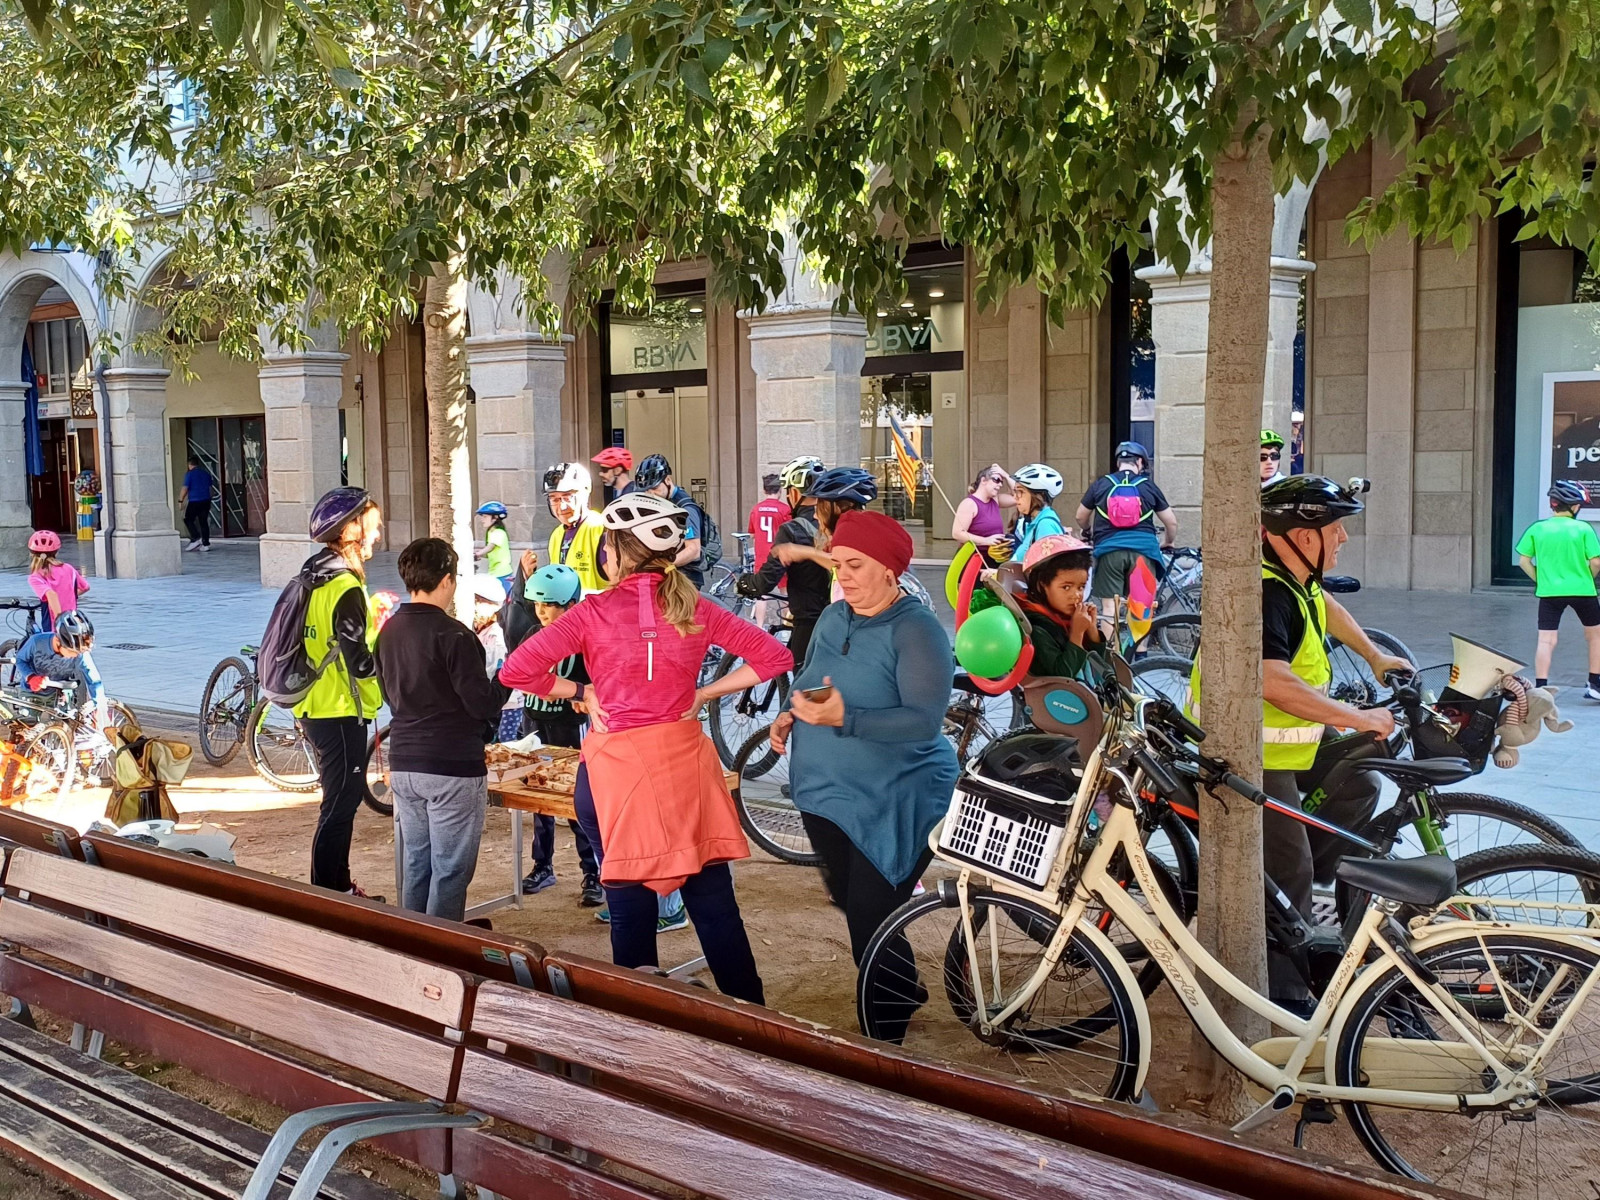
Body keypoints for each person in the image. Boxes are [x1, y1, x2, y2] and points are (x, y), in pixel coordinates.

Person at [500, 492, 791, 1004]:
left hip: (615, 771)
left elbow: (517, 671)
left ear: (612, 551)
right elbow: (773, 656)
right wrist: (702, 692)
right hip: (685, 764)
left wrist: (581, 692)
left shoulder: (590, 612)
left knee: (629, 911)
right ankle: (754, 1020)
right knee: (715, 905)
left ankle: (640, 1025)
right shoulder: (697, 605)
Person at [1189, 475, 1410, 1011]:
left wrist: (1376, 655)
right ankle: (1285, 993)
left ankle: (1301, 904)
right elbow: (1273, 681)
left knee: (1357, 784)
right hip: (1247, 754)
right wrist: (1357, 717)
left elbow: (1327, 607)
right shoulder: (1264, 593)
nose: (1344, 539)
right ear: (1302, 536)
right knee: (1291, 866)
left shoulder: (1295, 579)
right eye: (1336, 528)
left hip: (1291, 745)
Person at [771, 510, 957, 1041]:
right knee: (855, 903)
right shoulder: (834, 618)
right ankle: (904, 987)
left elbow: (922, 722)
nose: (844, 576)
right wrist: (791, 711)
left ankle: (886, 1042)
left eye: (855, 565)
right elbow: (810, 680)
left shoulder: (917, 629)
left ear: (890, 571)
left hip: (899, 797)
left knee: (870, 922)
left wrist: (845, 718)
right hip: (826, 795)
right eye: (838, 566)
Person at [375, 538, 510, 922]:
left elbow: (388, 691)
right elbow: (482, 703)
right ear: (447, 580)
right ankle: (440, 948)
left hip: (405, 761)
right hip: (451, 763)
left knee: (417, 862)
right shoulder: (454, 634)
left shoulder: (389, 631)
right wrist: (506, 678)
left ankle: (414, 943)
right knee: (450, 868)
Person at [295, 486, 385, 897]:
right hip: (338, 708)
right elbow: (360, 662)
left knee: (339, 801)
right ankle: (328, 895)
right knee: (340, 804)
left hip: (315, 704)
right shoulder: (345, 585)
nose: (378, 534)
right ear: (352, 529)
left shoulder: (316, 571)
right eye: (373, 525)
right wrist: (386, 636)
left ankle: (337, 888)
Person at [518, 564, 603, 905]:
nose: (542, 612)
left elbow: (597, 683)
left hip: (572, 728)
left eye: (550, 605)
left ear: (569, 604)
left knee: (578, 802)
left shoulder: (584, 641)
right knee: (541, 801)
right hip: (535, 726)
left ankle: (592, 873)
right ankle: (543, 865)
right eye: (538, 604)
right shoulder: (531, 634)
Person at [973, 534, 1105, 681]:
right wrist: (1077, 633)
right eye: (1066, 587)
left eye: (1081, 587)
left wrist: (1092, 631)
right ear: (1042, 584)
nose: (1076, 595)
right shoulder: (1037, 627)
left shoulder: (1064, 617)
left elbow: (1099, 667)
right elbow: (1063, 675)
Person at [739, 456, 830, 666]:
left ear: (795, 493)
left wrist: (745, 584)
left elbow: (766, 581)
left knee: (804, 688)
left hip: (809, 619)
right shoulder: (833, 522)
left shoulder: (792, 529)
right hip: (839, 616)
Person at [1517, 480, 1600, 695]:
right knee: (1595, 636)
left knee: (1546, 639)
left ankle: (1541, 687)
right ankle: (1595, 683)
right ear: (1574, 506)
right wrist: (1586, 577)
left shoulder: (1538, 528)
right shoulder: (1583, 528)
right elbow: (1596, 562)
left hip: (1550, 592)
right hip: (1583, 591)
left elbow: (1523, 560)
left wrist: (1540, 579)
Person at [1075, 441, 1177, 609]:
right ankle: (1138, 637)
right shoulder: (1148, 486)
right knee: (1140, 610)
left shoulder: (1101, 484)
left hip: (1109, 551)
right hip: (1143, 552)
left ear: (1118, 463)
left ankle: (1110, 636)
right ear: (1140, 462)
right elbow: (1171, 522)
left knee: (1110, 608)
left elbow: (1080, 516)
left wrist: (1087, 531)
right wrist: (1168, 541)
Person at [16, 610, 107, 727]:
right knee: (26, 728)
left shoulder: (80, 653)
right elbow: (20, 660)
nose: (75, 655)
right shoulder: (36, 642)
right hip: (32, 692)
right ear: (58, 641)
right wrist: (30, 677)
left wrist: (99, 706)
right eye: (72, 652)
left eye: (79, 652)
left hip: (60, 693)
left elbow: (93, 678)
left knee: (64, 728)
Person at [632, 453, 708, 588]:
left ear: (668, 480)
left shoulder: (686, 509)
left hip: (687, 579)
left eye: (655, 488)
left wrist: (663, 565)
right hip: (671, 576)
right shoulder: (664, 501)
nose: (651, 494)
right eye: (646, 490)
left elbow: (693, 550)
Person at [542, 463, 610, 594]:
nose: (561, 507)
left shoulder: (600, 528)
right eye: (554, 500)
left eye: (567, 497)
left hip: (595, 613)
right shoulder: (556, 534)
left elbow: (619, 583)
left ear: (584, 495)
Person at [951, 464, 1018, 566]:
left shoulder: (995, 500)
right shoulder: (969, 503)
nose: (1000, 485)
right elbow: (957, 533)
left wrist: (1006, 475)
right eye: (996, 480)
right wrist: (986, 540)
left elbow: (1018, 496)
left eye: (1001, 482)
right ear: (983, 480)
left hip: (993, 558)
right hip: (973, 559)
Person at [26, 530, 88, 632]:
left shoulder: (36, 577)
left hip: (54, 625)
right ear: (57, 552)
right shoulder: (69, 568)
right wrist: (68, 595)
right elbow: (85, 587)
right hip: (72, 620)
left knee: (39, 645)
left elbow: (51, 594)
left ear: (31, 554)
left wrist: (59, 619)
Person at [1008, 463, 1066, 562]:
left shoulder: (1045, 525)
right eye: (1015, 491)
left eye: (1020, 491)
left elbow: (1048, 570)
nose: (1015, 496)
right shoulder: (1035, 522)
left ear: (1039, 496)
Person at [747, 472, 792, 568]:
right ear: (780, 489)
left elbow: (752, 534)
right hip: (779, 561)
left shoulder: (756, 509)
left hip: (761, 562)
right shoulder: (785, 509)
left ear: (764, 490)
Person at [475, 502, 512, 593]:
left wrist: (478, 554)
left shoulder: (498, 532)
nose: (482, 520)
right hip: (494, 571)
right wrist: (480, 554)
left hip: (502, 573)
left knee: (503, 599)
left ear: (495, 518)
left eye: (485, 517)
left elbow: (491, 547)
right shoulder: (491, 532)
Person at [180, 456, 215, 552]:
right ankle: (206, 544)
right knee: (203, 521)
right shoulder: (206, 474)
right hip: (206, 501)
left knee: (188, 519)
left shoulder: (189, 474)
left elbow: (185, 488)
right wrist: (209, 499)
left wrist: (180, 500)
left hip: (194, 501)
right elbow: (211, 490)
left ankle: (195, 538)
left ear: (190, 465)